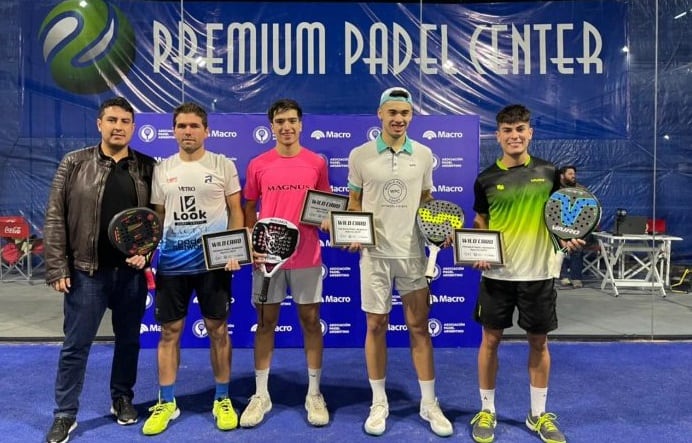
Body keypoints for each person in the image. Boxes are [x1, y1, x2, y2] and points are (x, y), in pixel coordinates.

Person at [43, 97, 156, 443]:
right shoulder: (74, 163)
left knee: (128, 343)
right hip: (86, 273)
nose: (118, 126)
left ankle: (122, 399)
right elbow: (54, 216)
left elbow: (157, 221)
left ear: (133, 128)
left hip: (131, 276)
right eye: (112, 120)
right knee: (76, 345)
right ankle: (65, 414)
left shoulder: (148, 167)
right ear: (99, 124)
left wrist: (147, 253)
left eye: (125, 121)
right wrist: (56, 265)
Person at [469, 104, 583, 443]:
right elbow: (480, 222)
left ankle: (537, 415)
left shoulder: (550, 173)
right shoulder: (485, 178)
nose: (514, 136)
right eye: (507, 130)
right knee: (490, 341)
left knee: (539, 341)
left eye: (520, 129)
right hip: (497, 277)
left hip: (538, 274)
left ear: (530, 133)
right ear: (498, 135)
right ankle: (487, 410)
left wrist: (567, 237)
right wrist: (479, 249)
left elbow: (562, 214)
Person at [345, 87, 453, 437]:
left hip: (412, 256)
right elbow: (354, 203)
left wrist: (438, 229)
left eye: (404, 114)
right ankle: (379, 403)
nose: (398, 119)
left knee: (419, 328)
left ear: (411, 117)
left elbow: (427, 201)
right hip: (374, 255)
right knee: (375, 326)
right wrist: (351, 231)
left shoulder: (423, 155)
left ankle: (428, 403)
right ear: (380, 115)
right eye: (392, 113)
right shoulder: (360, 155)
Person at [141, 102, 244, 435]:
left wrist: (235, 248)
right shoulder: (162, 169)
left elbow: (236, 210)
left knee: (218, 330)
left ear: (206, 130)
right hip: (172, 263)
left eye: (194, 126)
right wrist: (146, 251)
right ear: (173, 131)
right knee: (170, 333)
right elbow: (156, 217)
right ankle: (167, 402)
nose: (188, 131)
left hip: (213, 264)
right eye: (182, 126)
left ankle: (223, 398)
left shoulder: (223, 165)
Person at [239, 98, 331, 428]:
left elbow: (326, 206)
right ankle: (261, 394)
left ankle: (314, 393)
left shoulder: (316, 163)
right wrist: (252, 241)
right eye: (280, 122)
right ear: (272, 126)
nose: (287, 127)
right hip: (266, 259)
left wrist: (329, 221)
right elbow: (249, 207)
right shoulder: (258, 164)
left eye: (292, 120)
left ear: (301, 124)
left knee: (310, 321)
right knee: (265, 323)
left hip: (307, 257)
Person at [558, 165, 585, 289]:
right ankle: (563, 276)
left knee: (577, 250)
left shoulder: (581, 190)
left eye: (574, 173)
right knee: (560, 250)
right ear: (562, 176)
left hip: (577, 228)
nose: (573, 176)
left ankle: (576, 278)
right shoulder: (555, 190)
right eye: (570, 173)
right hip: (559, 228)